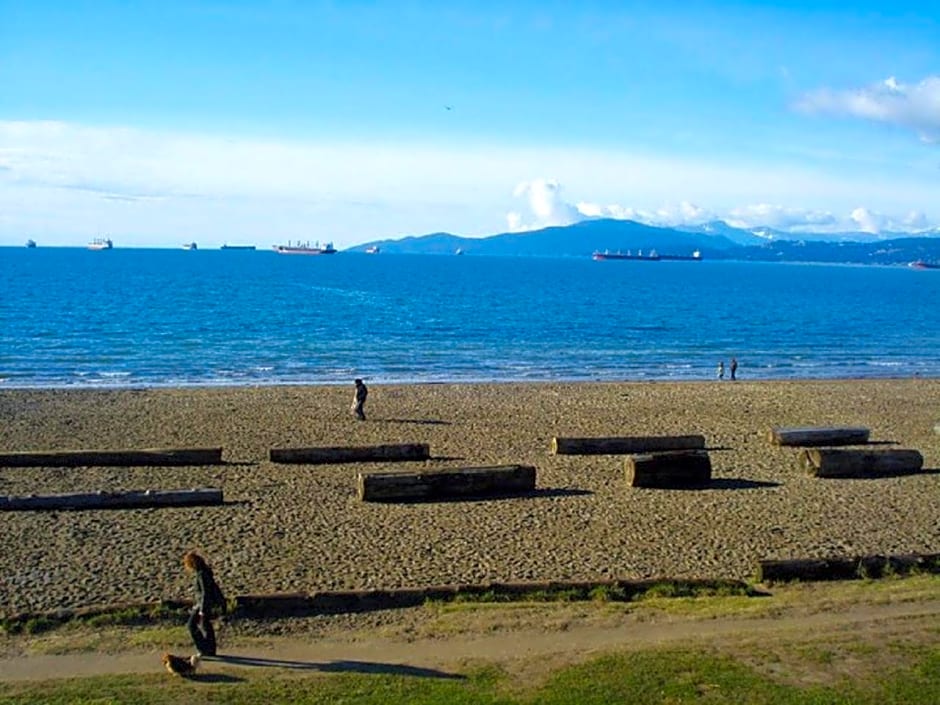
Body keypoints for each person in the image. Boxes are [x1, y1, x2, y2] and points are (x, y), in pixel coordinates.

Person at [183, 551, 226, 657]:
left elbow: (205, 592)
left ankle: (203, 648)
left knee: (191, 625)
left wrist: (202, 609)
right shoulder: (205, 572)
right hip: (205, 604)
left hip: (203, 605)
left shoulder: (201, 574)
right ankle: (210, 650)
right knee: (206, 626)